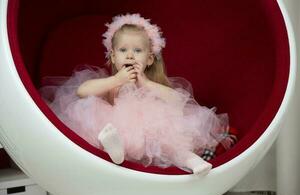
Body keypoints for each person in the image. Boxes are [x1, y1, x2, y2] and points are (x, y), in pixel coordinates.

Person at [40, 13, 235, 176]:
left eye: (138, 50)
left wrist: (146, 82)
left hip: (152, 134)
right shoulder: (110, 82)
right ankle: (115, 151)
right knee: (97, 119)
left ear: (149, 58)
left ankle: (194, 162)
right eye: (123, 50)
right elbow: (82, 91)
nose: (130, 55)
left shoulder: (151, 85)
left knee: (173, 143)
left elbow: (178, 101)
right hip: (117, 130)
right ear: (113, 57)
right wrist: (117, 80)